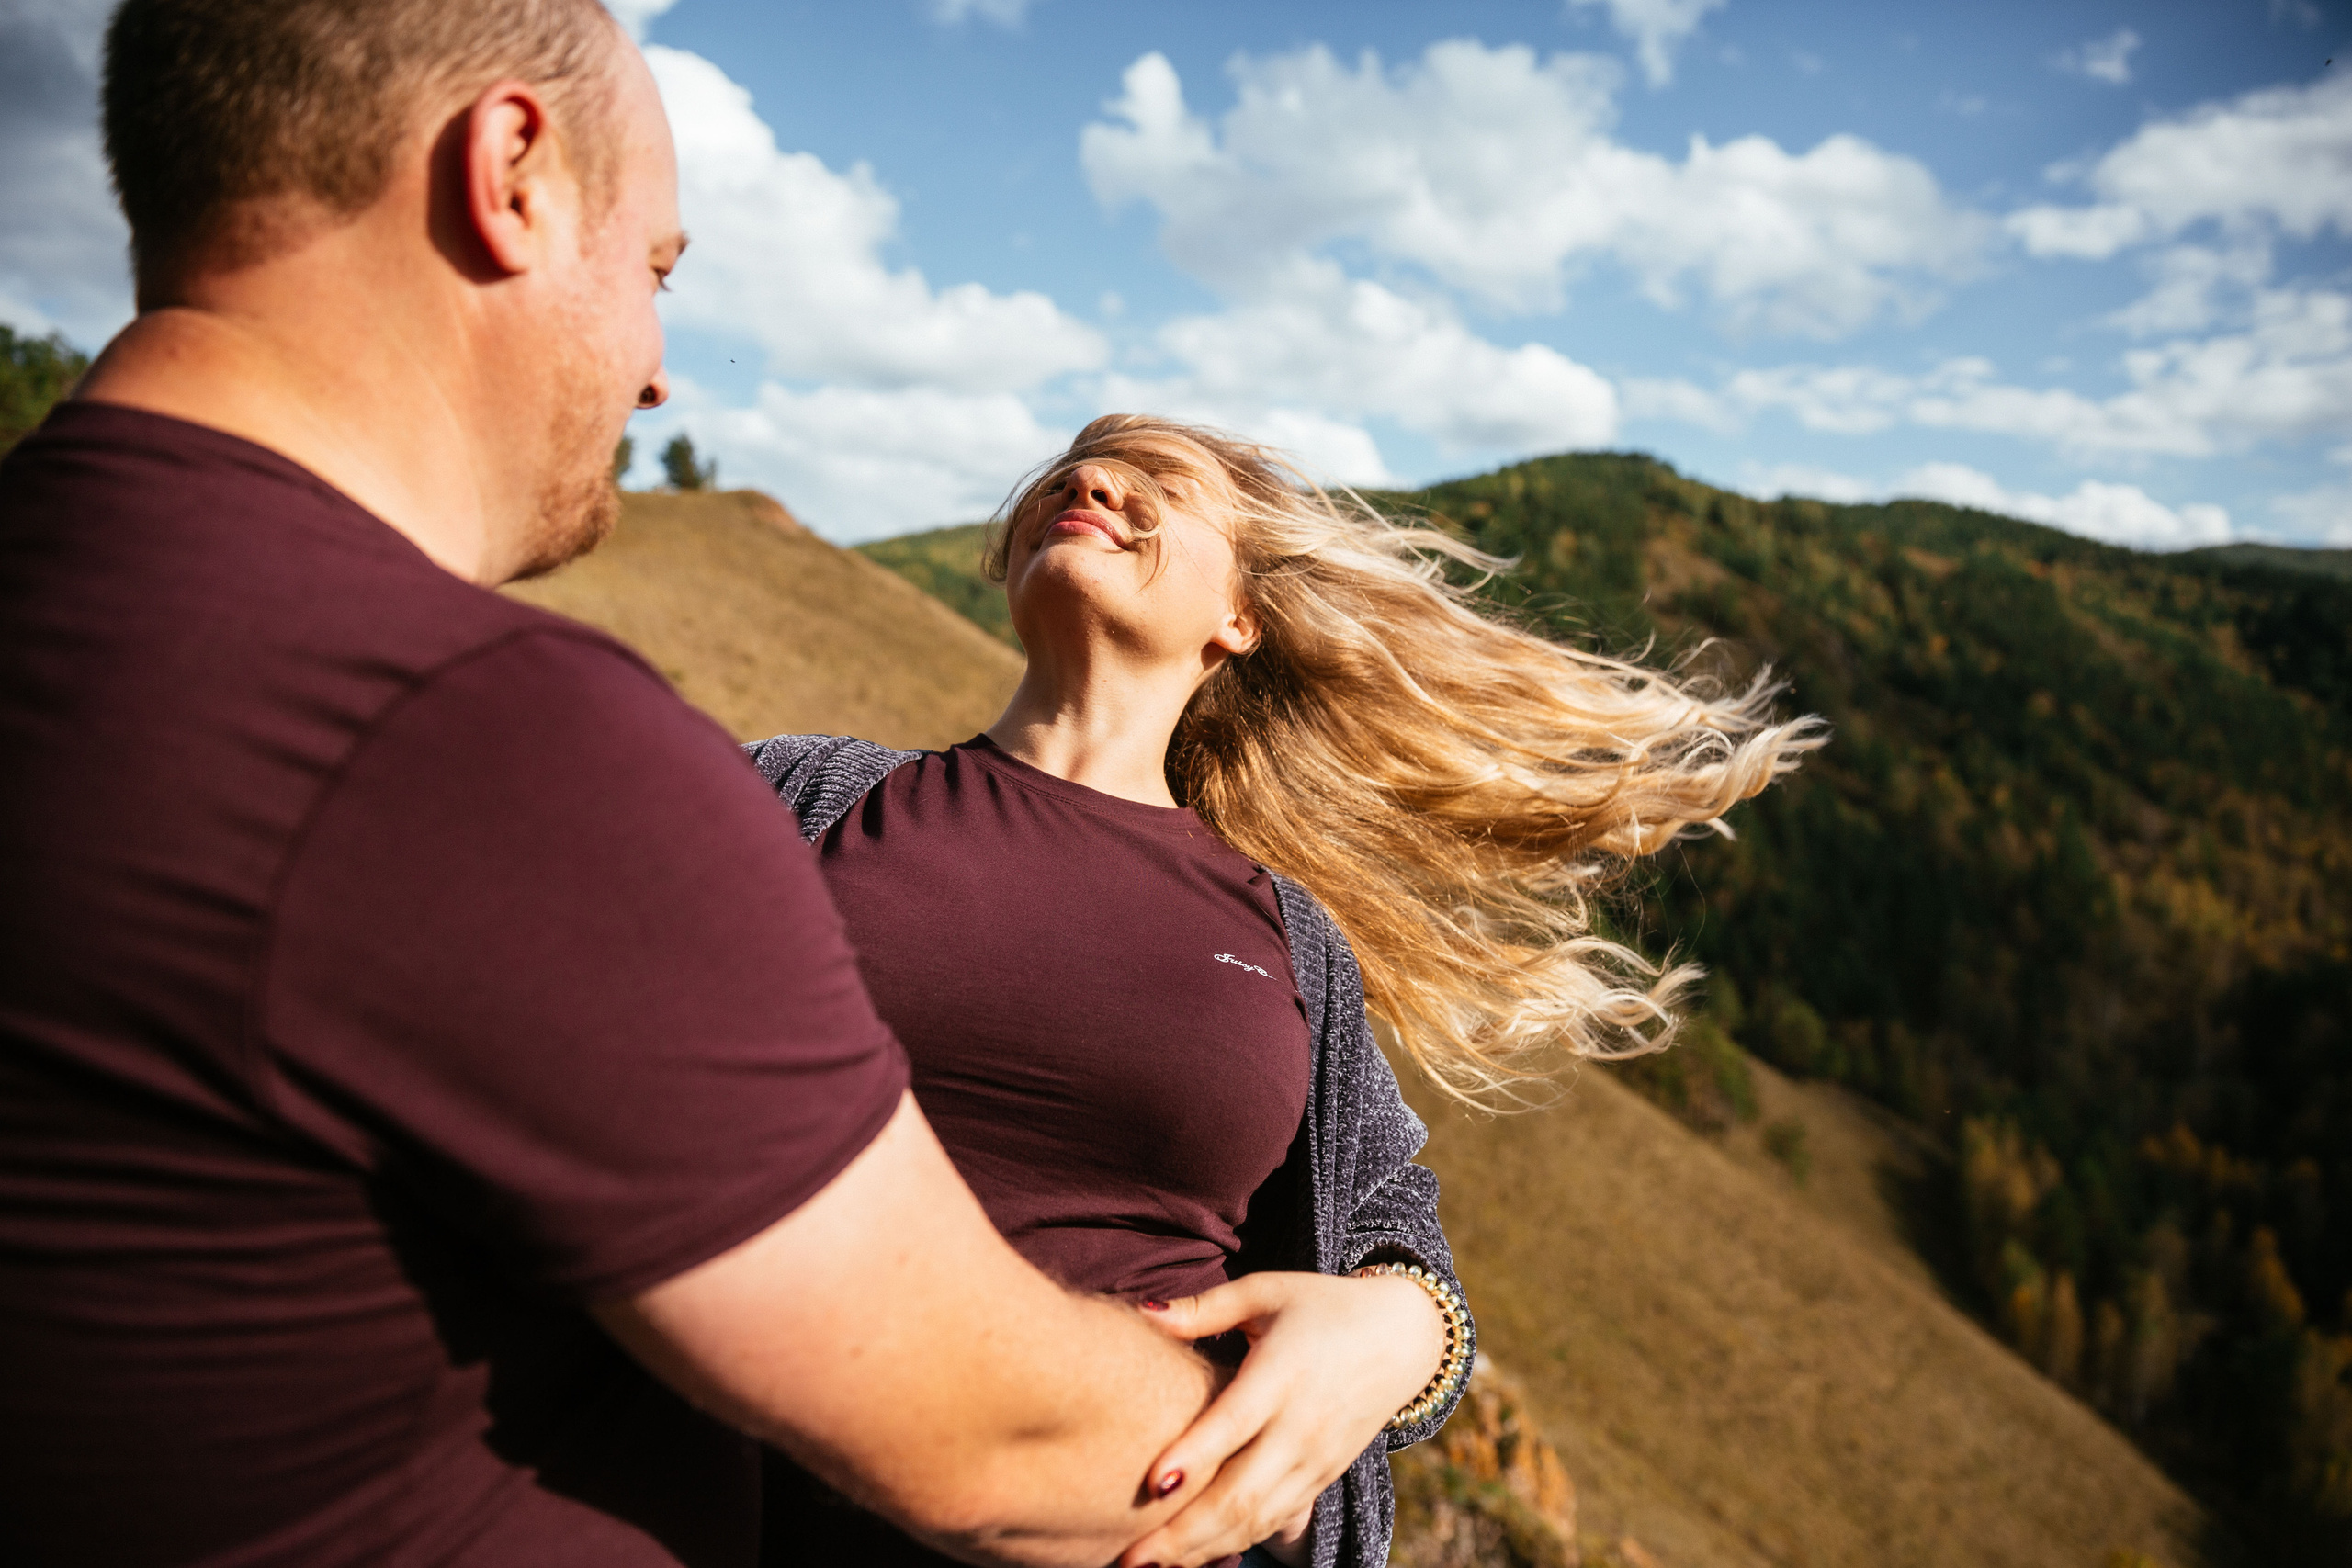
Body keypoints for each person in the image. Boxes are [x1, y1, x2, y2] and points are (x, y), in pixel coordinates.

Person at [0, 6, 1282, 1565]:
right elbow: (983, 1437)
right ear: (514, 175)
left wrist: (1408, 1311)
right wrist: (1312, 1386)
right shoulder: (479, 738)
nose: (658, 374)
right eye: (657, 271)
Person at [746, 415, 1826, 1568]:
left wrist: (1406, 1329)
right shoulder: (801, 799)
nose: (1092, 478)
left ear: (1239, 619)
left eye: (1160, 479)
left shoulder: (1285, 931)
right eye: (1072, 469)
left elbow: (1385, 1218)